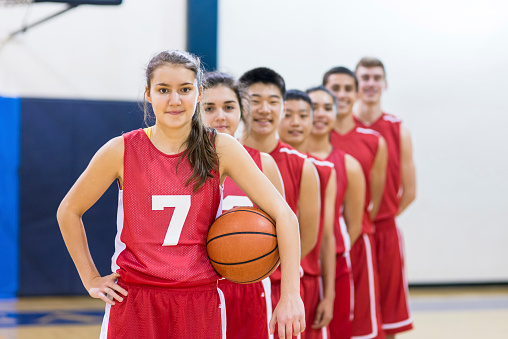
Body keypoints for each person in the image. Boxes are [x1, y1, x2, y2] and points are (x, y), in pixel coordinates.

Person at [56, 50, 305, 339]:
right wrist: (91, 277)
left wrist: (290, 296)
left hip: (199, 302)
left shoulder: (220, 148)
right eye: (164, 90)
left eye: (185, 89)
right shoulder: (121, 150)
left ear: (199, 93)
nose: (175, 100)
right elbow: (69, 211)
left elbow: (284, 215)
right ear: (148, 94)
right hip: (135, 300)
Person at [201, 71, 283, 339]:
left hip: (249, 285)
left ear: (241, 111)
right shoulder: (179, 166)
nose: (220, 116)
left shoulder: (263, 163)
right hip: (198, 287)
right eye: (209, 108)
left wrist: (290, 293)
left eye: (229, 107)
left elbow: (285, 227)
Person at [239, 67, 320, 315]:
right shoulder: (221, 157)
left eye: (273, 102)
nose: (265, 109)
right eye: (255, 101)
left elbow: (307, 236)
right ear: (242, 106)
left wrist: (269, 269)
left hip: (278, 285)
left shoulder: (303, 166)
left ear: (282, 107)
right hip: (226, 284)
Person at [323, 66, 388, 339]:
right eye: (334, 88)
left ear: (357, 92)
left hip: (356, 243)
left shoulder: (374, 140)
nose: (341, 94)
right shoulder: (311, 136)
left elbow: (373, 200)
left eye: (348, 88)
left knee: (361, 327)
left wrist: (347, 238)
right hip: (318, 248)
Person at [354, 57, 416, 338]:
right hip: (351, 234)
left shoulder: (398, 128)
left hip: (385, 231)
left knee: (389, 314)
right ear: (356, 84)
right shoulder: (339, 129)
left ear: (385, 84)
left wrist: (380, 216)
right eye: (365, 77)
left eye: (376, 78)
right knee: (352, 311)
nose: (370, 83)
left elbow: (410, 192)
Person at [277, 90, 337, 339]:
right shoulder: (251, 162)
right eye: (288, 114)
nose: (295, 122)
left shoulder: (322, 170)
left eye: (303, 115)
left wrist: (330, 294)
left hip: (306, 279)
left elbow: (326, 237)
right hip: (261, 277)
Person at [306, 86, 365, 339]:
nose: (320, 114)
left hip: (335, 264)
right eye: (313, 108)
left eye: (327, 108)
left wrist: (332, 254)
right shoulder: (287, 160)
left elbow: (354, 224)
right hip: (295, 264)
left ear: (335, 113)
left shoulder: (349, 165)